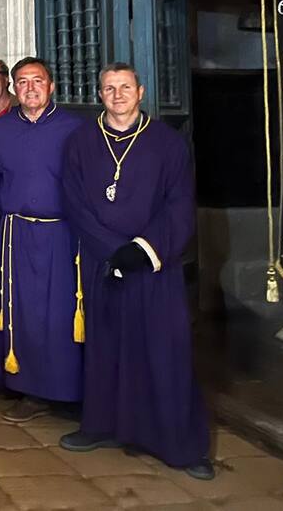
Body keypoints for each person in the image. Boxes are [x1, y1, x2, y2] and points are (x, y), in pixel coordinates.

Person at [60, 63, 213, 479]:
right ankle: (103, 426)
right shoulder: (81, 141)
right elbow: (74, 202)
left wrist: (142, 250)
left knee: (164, 350)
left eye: (125, 87)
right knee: (106, 347)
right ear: (100, 94)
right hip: (103, 262)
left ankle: (180, 444)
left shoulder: (167, 143)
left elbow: (179, 204)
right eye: (109, 88)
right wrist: (113, 251)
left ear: (141, 92)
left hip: (153, 266)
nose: (118, 95)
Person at [0, 57, 84, 422]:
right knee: (23, 313)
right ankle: (30, 390)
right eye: (22, 82)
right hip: (16, 234)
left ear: (51, 85)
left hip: (63, 234)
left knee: (61, 313)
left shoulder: (75, 128)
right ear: (14, 88)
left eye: (37, 80)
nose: (30, 88)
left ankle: (70, 391)